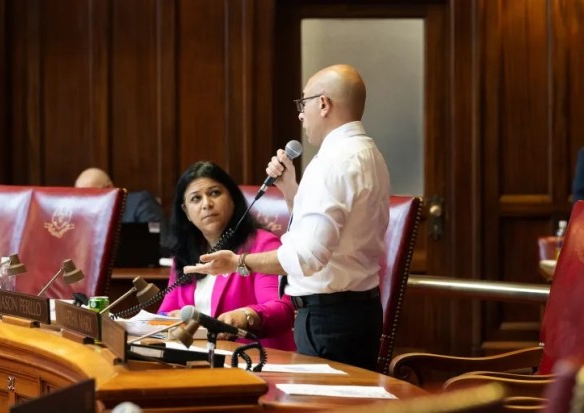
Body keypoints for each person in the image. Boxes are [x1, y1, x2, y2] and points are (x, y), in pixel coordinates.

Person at [184, 64, 390, 370]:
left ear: (323, 104)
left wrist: (240, 262)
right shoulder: (367, 153)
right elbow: (326, 237)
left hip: (329, 319)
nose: (300, 114)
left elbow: (306, 257)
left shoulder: (333, 162)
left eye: (302, 103)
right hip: (354, 311)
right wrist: (291, 189)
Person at [157, 161, 296, 351]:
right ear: (186, 212)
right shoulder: (184, 256)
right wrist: (170, 319)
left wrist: (247, 316)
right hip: (195, 361)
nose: (207, 204)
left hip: (253, 361)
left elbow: (282, 310)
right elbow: (163, 313)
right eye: (196, 199)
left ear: (233, 198)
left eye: (214, 193)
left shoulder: (263, 245)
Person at [75, 167, 165, 224]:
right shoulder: (77, 214)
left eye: (90, 195)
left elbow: (160, 242)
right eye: (80, 197)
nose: (85, 202)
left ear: (109, 188)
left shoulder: (140, 203)